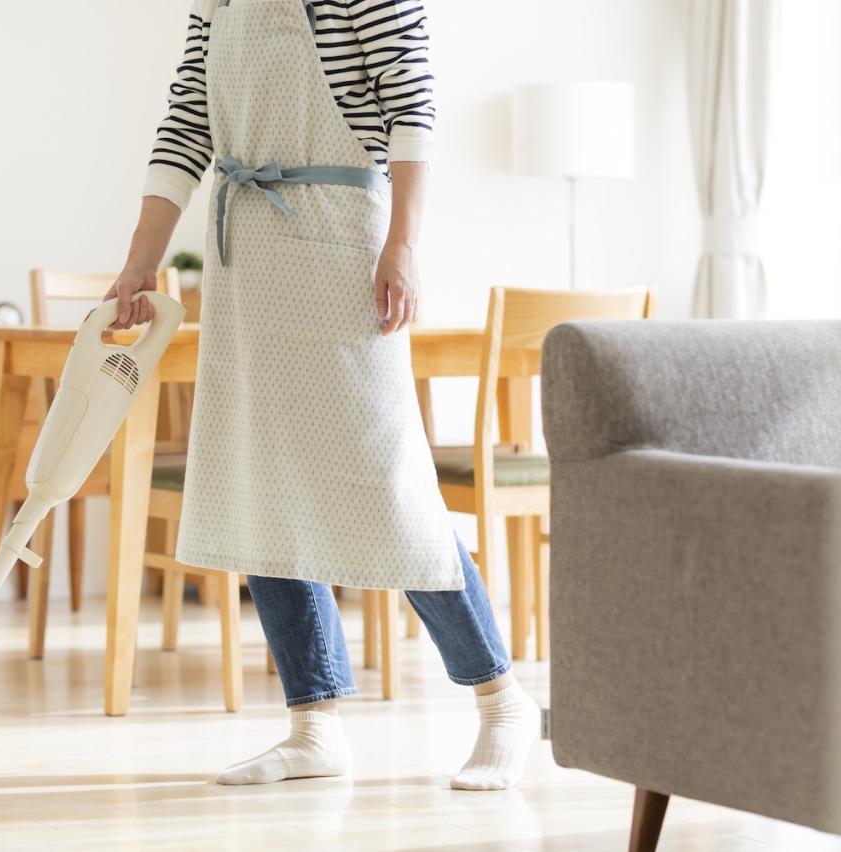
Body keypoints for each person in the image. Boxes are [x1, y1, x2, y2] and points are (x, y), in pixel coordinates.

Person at [104, 0, 539, 790]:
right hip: (247, 256)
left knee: (387, 489)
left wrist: (402, 246)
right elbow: (186, 123)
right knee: (259, 481)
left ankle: (501, 702)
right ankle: (313, 725)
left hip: (344, 244)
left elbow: (410, 108)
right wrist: (140, 262)